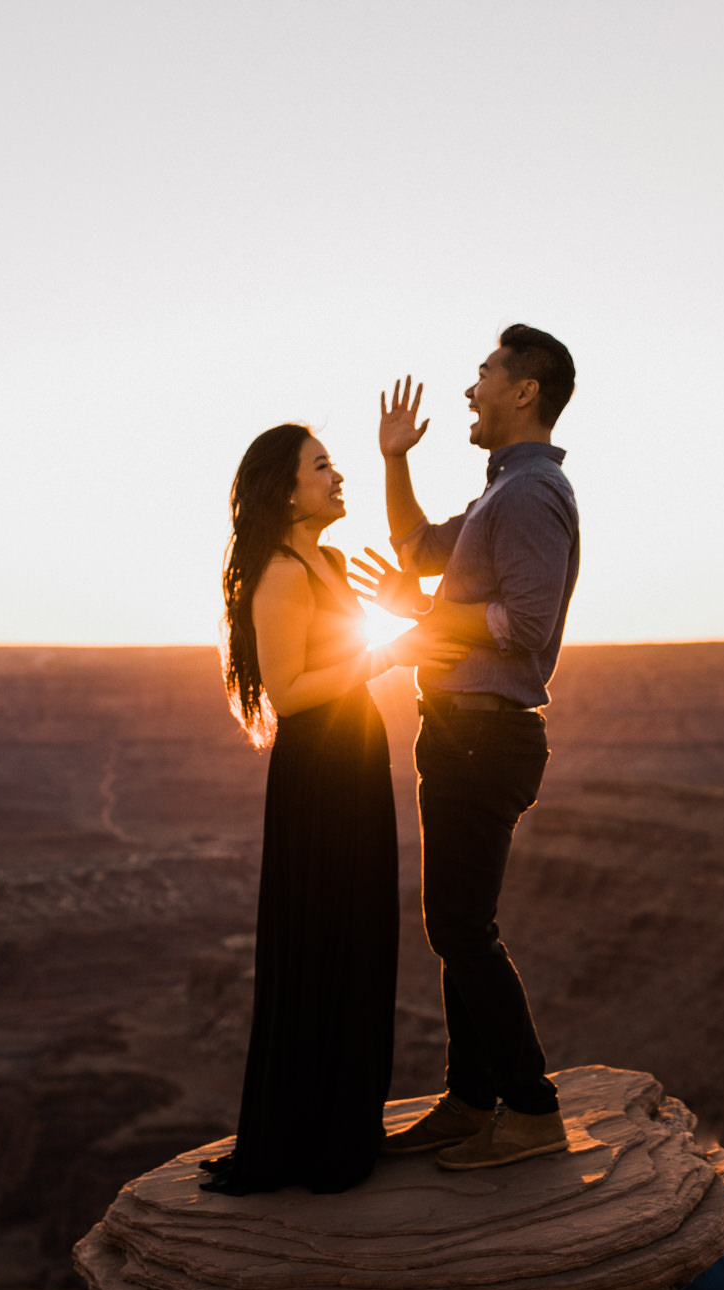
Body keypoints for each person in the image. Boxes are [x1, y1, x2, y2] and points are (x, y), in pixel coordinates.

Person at [203, 423, 463, 1195]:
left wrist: (401, 613)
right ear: (287, 490)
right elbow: (289, 694)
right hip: (317, 777)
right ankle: (310, 1137)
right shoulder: (281, 573)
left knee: (358, 934)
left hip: (352, 763)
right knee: (323, 934)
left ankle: (345, 1123)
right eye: (322, 466)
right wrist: (391, 653)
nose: (337, 475)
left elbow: (351, 657)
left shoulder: (332, 561)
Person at [351, 324, 581, 1171]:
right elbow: (416, 549)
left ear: (525, 390)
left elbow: (526, 624)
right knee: (456, 923)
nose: (470, 388)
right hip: (460, 731)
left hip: (486, 734)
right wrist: (394, 460)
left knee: (460, 927)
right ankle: (469, 1098)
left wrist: (423, 619)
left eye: (483, 372)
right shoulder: (500, 492)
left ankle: (529, 1108)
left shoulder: (526, 498)